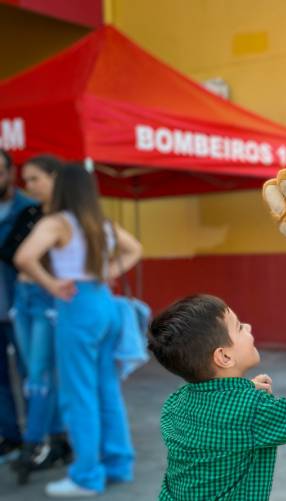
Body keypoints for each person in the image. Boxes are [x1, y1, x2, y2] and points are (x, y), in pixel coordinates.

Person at [14, 163, 143, 497]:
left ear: (61, 189)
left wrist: (53, 284)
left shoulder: (56, 223)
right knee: (106, 389)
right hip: (104, 302)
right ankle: (118, 463)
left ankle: (87, 475)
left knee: (78, 394)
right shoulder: (100, 223)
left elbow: (24, 257)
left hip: (77, 308)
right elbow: (135, 250)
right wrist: (107, 271)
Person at [147, 294, 286, 500]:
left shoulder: (175, 402)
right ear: (224, 357)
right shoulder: (251, 409)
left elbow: (216, 409)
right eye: (239, 327)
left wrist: (245, 389)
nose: (248, 327)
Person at [2, 155, 73, 484]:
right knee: (35, 374)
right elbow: (11, 252)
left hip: (44, 300)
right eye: (27, 180)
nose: (29, 186)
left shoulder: (61, 216)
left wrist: (52, 284)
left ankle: (38, 443)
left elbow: (19, 255)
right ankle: (50, 440)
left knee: (39, 375)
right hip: (22, 299)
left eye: (35, 179)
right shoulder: (32, 212)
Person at [0, 149, 39, 465]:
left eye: (0, 171)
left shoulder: (31, 209)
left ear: (11, 172)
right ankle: (10, 437)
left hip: (24, 307)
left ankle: (37, 439)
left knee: (33, 374)